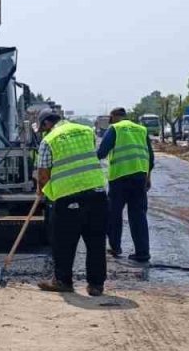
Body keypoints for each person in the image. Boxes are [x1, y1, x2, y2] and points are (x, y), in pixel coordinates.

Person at [34, 108, 109, 296]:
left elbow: (43, 174)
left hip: (68, 197)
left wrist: (41, 191)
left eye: (43, 129)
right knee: (96, 241)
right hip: (97, 193)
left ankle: (62, 281)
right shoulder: (86, 131)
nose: (43, 133)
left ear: (46, 124)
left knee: (63, 242)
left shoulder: (49, 140)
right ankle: (96, 285)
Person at [98, 107, 154, 265]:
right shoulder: (141, 129)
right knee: (138, 215)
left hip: (120, 178)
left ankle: (115, 247)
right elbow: (150, 156)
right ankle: (142, 253)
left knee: (113, 214)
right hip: (139, 178)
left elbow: (102, 152)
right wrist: (148, 177)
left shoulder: (115, 129)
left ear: (114, 117)